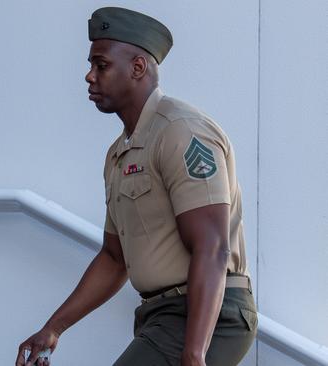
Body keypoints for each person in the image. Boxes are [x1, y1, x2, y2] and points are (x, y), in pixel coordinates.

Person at [15, 7, 257, 366]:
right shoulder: (119, 154)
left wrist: (194, 354)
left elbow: (213, 246)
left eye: (101, 65)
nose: (89, 76)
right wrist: (54, 327)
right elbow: (115, 259)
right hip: (160, 318)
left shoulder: (181, 131)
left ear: (138, 67)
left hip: (208, 316)